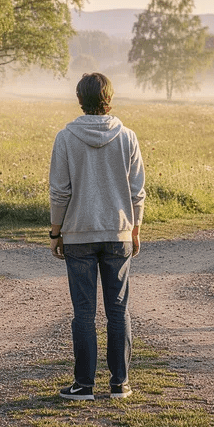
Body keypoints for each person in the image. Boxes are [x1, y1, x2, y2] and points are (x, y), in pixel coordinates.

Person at [48, 72, 146, 400]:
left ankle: (83, 385)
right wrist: (135, 229)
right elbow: (137, 192)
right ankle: (120, 383)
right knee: (118, 309)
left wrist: (56, 231)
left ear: (80, 98)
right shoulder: (128, 136)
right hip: (119, 233)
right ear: (109, 97)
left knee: (84, 312)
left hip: (78, 235)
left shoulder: (65, 137)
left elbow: (60, 191)